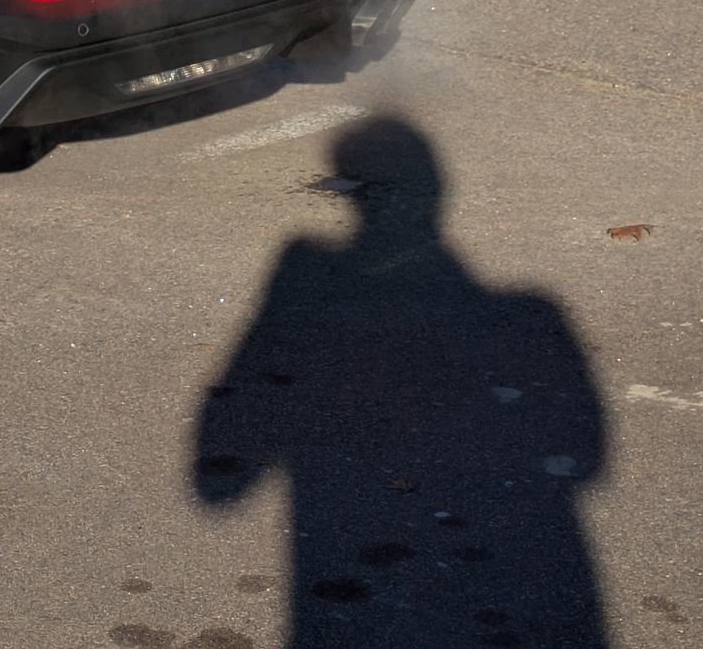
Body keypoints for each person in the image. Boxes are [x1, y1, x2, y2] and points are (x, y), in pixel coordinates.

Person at [194, 118, 607, 647]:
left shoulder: (304, 271)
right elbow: (589, 458)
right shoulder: (534, 315)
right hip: (533, 569)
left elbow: (220, 481)